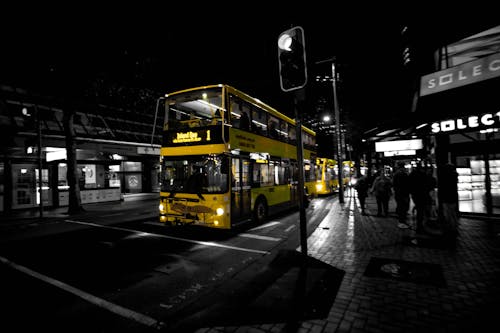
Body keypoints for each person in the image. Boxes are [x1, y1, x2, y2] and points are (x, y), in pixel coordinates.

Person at [408, 165, 434, 234]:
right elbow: (428, 185)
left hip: (415, 195)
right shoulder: (423, 175)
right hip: (422, 194)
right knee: (421, 210)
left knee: (419, 209)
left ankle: (420, 224)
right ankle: (421, 225)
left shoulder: (412, 175)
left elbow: (409, 185)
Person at [439, 163, 459, 241]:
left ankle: (450, 228)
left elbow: (443, 188)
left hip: (446, 198)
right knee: (453, 213)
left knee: (448, 214)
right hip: (453, 197)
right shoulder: (455, 175)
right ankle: (454, 227)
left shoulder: (445, 176)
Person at [392, 162, 411, 228]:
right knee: (403, 207)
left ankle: (402, 221)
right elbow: (406, 184)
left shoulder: (396, 174)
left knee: (401, 207)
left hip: (399, 193)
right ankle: (402, 222)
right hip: (403, 193)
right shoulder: (402, 174)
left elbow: (394, 184)